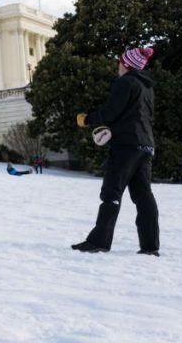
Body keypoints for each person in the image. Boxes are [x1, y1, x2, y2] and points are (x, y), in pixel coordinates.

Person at [72, 46, 160, 256]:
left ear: (126, 64)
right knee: (143, 195)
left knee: (111, 192)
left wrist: (87, 120)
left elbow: (111, 111)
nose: (118, 66)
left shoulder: (125, 82)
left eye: (120, 62)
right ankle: (150, 246)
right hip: (146, 145)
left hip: (126, 146)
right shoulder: (147, 88)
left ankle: (99, 241)